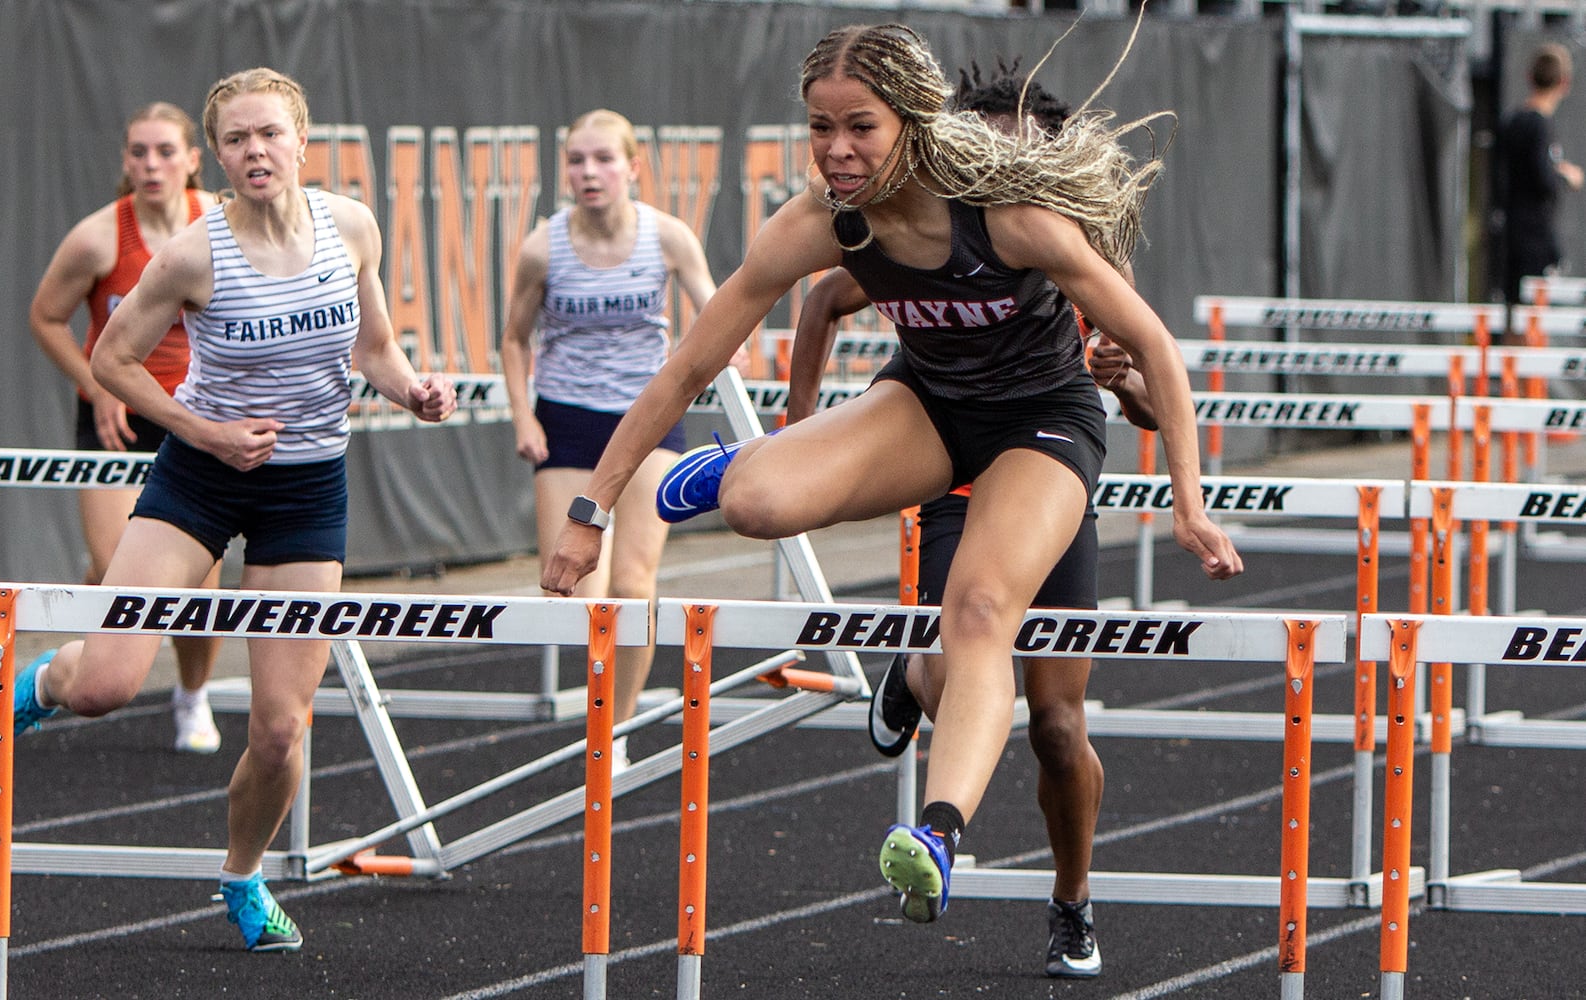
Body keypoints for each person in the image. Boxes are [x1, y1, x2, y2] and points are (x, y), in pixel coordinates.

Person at [540, 22, 1240, 944]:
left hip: (1041, 423)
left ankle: (939, 835)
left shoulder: (1010, 215)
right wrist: (591, 511)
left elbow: (1154, 346)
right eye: (820, 128)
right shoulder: (820, 224)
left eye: (860, 128)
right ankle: (738, 470)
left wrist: (1188, 501)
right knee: (756, 504)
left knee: (986, 620)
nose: (836, 151)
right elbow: (686, 369)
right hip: (930, 404)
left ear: (912, 121)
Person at [0, 67, 457, 953]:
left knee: (278, 730)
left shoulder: (352, 228)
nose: (256, 151)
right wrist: (207, 430)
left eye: (270, 134)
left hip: (307, 489)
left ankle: (242, 877)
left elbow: (374, 347)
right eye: (237, 139)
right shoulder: (195, 251)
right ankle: (37, 682)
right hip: (200, 474)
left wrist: (411, 389)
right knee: (108, 686)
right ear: (217, 156)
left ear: (303, 142)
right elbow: (111, 362)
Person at [784, 60, 1157, 979]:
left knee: (1057, 727)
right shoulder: (928, 224)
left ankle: (1072, 899)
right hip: (953, 473)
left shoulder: (1070, 241)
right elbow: (824, 298)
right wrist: (798, 428)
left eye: (1016, 156)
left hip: (1046, 480)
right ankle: (921, 675)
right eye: (979, 152)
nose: (996, 176)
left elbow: (1149, 399)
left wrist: (1125, 382)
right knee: (965, 671)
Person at [499, 109, 718, 768]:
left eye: (601, 159)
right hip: (567, 420)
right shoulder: (543, 247)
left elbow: (715, 309)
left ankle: (612, 735)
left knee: (632, 583)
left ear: (632, 168)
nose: (588, 173)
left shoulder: (668, 238)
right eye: (576, 160)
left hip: (647, 419)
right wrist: (523, 417)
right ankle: (602, 717)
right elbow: (512, 338)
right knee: (574, 593)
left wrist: (718, 359)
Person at [27, 102, 226, 755]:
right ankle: (84, 646)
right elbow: (46, 317)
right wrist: (94, 382)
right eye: (139, 152)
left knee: (198, 588)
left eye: (165, 151)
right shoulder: (100, 239)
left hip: (195, 417)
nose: (151, 164)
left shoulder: (220, 223)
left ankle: (192, 695)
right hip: (116, 417)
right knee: (120, 570)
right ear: (124, 161)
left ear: (193, 159)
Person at [1499, 43, 1584, 319]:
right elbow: (1542, 179)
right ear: (1564, 83)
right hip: (1533, 235)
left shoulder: (1513, 121)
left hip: (1510, 229)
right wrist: (1565, 176)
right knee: (1533, 315)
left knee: (1514, 312)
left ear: (1529, 77)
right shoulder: (1539, 125)